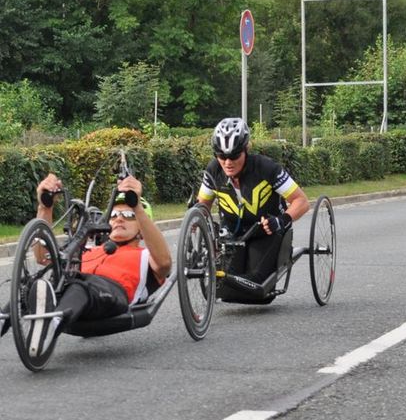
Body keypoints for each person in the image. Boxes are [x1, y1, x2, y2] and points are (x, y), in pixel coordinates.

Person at [1, 172, 172, 358]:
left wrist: (137, 206)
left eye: (128, 214)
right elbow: (42, 256)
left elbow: (164, 263)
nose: (119, 218)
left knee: (78, 286)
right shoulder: (89, 250)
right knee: (30, 288)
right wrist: (45, 206)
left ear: (141, 226)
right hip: (72, 295)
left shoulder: (146, 255)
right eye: (114, 214)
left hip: (111, 295)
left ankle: (49, 326)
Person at [197, 117, 310, 303]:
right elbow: (202, 207)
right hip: (233, 234)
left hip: (265, 230)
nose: (227, 162)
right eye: (221, 156)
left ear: (246, 149)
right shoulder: (213, 170)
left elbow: (301, 201)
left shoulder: (267, 168)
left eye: (234, 156)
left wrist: (282, 220)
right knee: (224, 285)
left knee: (257, 287)